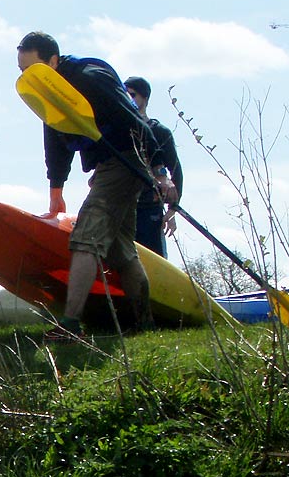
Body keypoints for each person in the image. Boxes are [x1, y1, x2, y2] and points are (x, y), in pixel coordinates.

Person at [15, 32, 178, 341]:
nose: (28, 77)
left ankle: (71, 325)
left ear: (52, 61)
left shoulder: (90, 76)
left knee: (86, 238)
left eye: (32, 69)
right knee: (121, 250)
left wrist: (159, 170)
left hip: (127, 161)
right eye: (23, 72)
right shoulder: (51, 91)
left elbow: (135, 121)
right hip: (107, 166)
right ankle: (145, 324)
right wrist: (56, 190)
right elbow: (56, 139)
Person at [123, 76, 184, 258]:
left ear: (145, 98)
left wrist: (173, 210)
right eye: (125, 94)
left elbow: (176, 171)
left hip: (149, 208)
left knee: (153, 258)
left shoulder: (159, 131)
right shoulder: (120, 130)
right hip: (121, 206)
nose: (129, 99)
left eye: (132, 95)